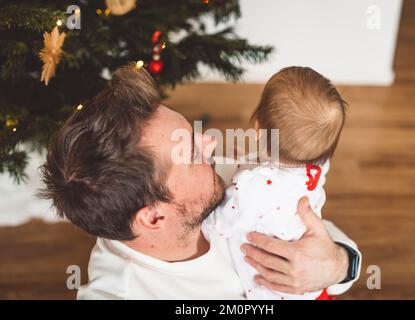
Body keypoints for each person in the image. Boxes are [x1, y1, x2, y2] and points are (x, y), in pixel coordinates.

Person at [40, 65, 361, 299]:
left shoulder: (220, 180)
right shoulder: (121, 293)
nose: (210, 143)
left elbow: (312, 230)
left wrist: (337, 264)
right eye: (190, 152)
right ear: (154, 216)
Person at [203, 66, 348, 299]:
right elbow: (279, 177)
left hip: (272, 290)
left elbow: (220, 222)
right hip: (310, 287)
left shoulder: (251, 187)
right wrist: (249, 162)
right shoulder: (318, 166)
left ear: (258, 127)